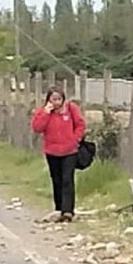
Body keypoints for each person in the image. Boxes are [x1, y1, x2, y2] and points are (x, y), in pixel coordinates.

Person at [30, 86, 86, 222]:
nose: (56, 102)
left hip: (69, 150)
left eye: (59, 99)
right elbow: (37, 127)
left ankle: (68, 211)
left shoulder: (71, 109)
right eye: (53, 99)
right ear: (49, 100)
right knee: (56, 180)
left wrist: (75, 139)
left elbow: (80, 124)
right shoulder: (43, 111)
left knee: (68, 179)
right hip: (52, 151)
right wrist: (46, 113)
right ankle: (59, 208)